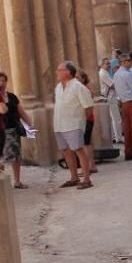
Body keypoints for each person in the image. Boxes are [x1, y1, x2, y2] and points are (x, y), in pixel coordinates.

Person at [53, 61, 95, 189]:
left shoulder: (78, 87)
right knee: (66, 151)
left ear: (68, 72)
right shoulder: (58, 87)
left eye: (60, 70)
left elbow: (88, 107)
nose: (57, 72)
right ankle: (74, 177)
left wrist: (79, 121)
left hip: (73, 124)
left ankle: (87, 179)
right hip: (59, 124)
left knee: (78, 150)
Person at [0, 72, 32, 188]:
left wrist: (30, 125)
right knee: (0, 157)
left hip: (13, 129)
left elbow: (21, 112)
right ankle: (1, 183)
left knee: (16, 156)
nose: (1, 83)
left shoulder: (12, 97)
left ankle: (17, 181)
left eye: (3, 81)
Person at [99, 57, 122, 143]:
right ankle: (118, 138)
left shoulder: (105, 73)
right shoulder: (103, 73)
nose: (109, 65)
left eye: (109, 63)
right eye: (107, 63)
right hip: (110, 98)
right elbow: (113, 85)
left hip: (109, 97)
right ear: (102, 64)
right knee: (116, 119)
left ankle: (113, 137)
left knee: (112, 119)